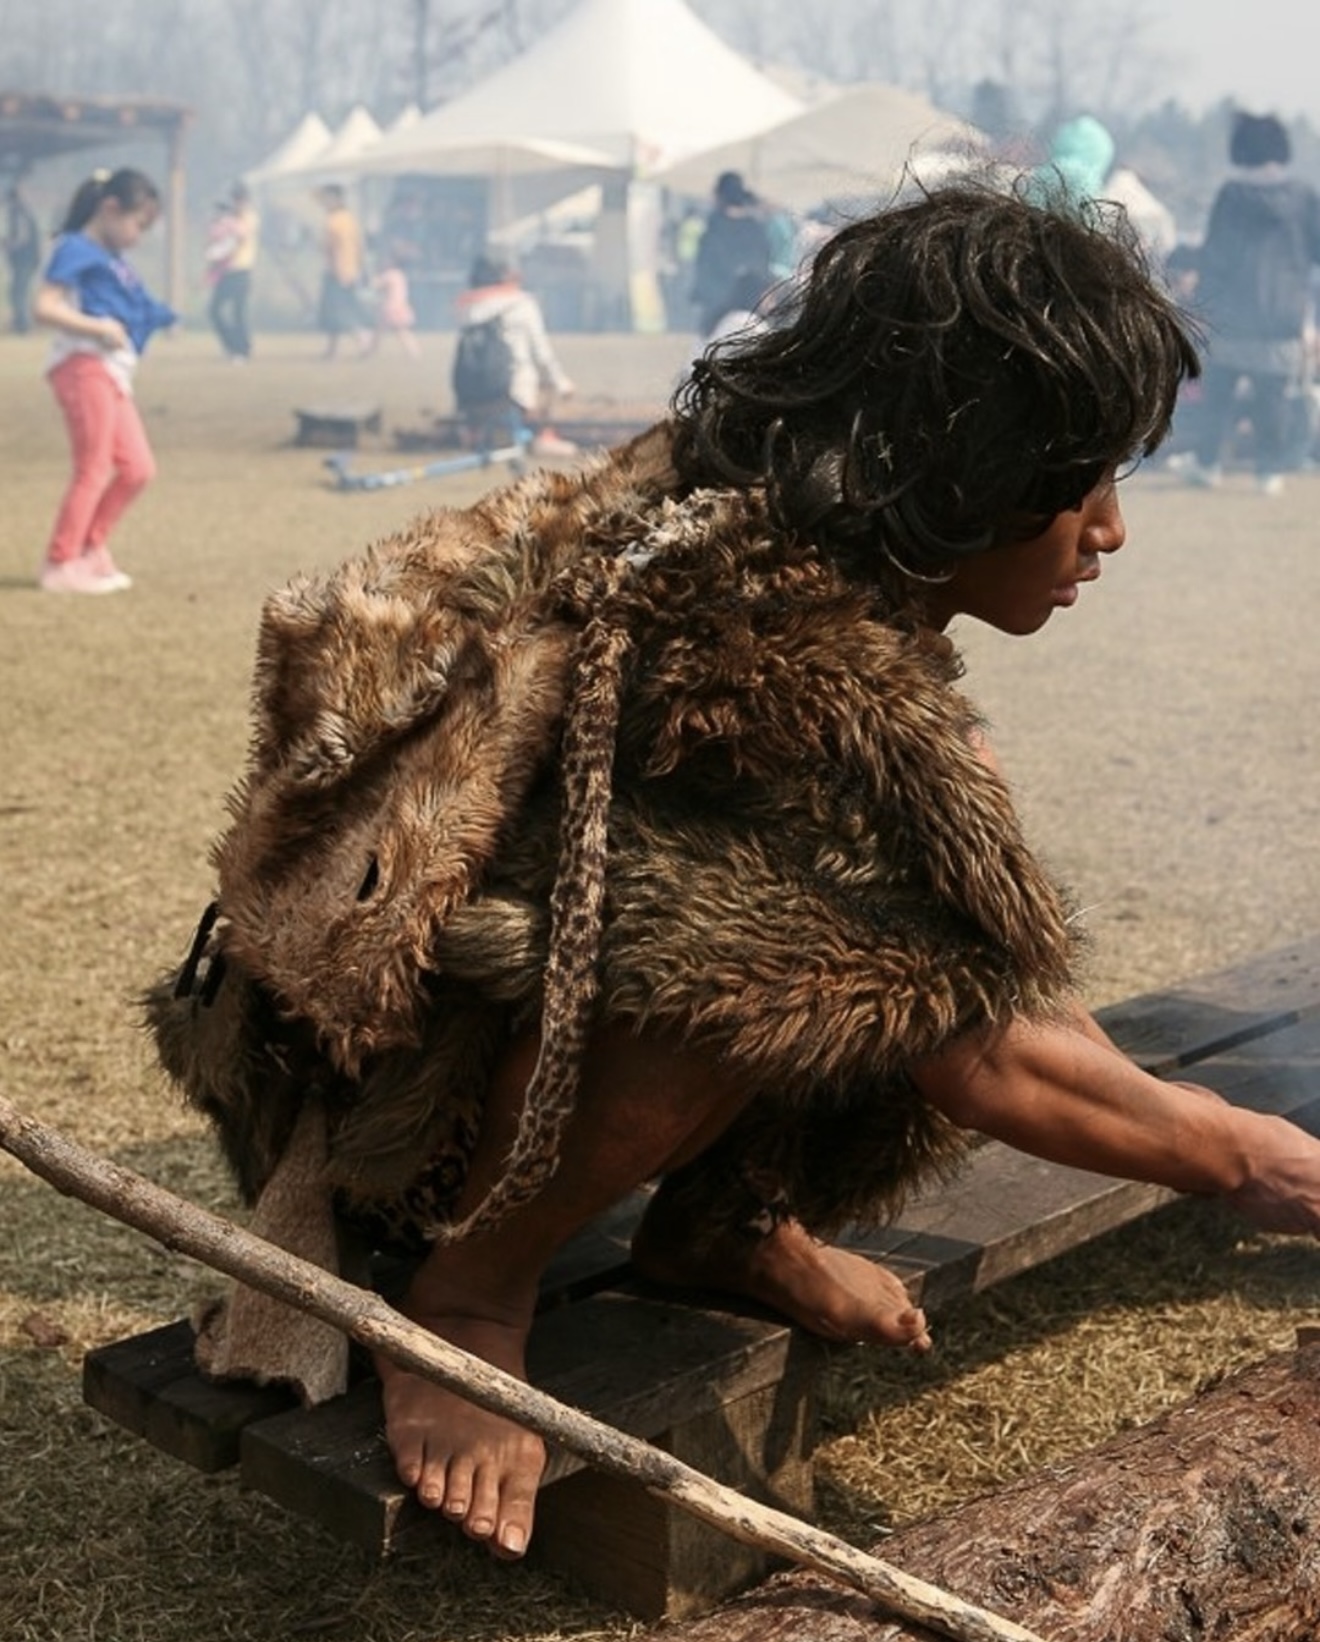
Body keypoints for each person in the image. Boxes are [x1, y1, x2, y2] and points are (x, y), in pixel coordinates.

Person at [148, 181, 1320, 1570]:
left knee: (874, 923)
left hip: (484, 1050)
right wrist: (1240, 1151)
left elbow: (986, 966)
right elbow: (981, 1053)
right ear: (970, 466)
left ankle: (722, 1223)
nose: (1110, 531)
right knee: (770, 966)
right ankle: (471, 1293)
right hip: (391, 1115)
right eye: (1085, 483)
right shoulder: (749, 649)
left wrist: (1210, 1125)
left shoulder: (797, 556)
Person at [31, 167, 176, 595]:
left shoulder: (114, 262)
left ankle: (90, 549)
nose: (138, 236)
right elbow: (44, 307)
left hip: (111, 371)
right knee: (93, 467)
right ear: (111, 208)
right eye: (138, 224)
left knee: (138, 468)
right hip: (82, 366)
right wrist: (98, 327)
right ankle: (60, 563)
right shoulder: (74, 248)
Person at [1181, 111, 1320, 496]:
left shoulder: (1232, 195)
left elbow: (1215, 257)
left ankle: (1208, 463)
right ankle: (1269, 472)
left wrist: (1202, 304)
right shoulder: (1303, 198)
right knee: (1272, 400)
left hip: (1233, 315)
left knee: (1218, 396)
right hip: (1283, 316)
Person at [452, 251, 575, 455]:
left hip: (468, 395)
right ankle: (542, 435)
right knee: (547, 382)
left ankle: (476, 432)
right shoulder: (522, 305)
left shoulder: (466, 307)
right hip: (509, 393)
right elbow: (542, 354)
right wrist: (562, 384)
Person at [690, 169, 774, 337]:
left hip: (719, 308)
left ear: (720, 196)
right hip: (752, 306)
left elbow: (704, 268)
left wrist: (700, 295)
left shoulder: (714, 228)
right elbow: (763, 264)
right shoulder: (755, 228)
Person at [314, 183, 371, 359]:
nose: (324, 202)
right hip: (348, 270)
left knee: (340, 311)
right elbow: (360, 246)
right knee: (332, 312)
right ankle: (332, 350)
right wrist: (360, 268)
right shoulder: (348, 218)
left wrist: (340, 270)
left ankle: (363, 338)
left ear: (336, 199)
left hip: (338, 272)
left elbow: (334, 248)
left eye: (327, 198)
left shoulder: (335, 221)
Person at [205, 181, 259, 362]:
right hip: (226, 271)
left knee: (238, 312)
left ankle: (242, 349)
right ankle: (232, 344)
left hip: (241, 269)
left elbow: (238, 240)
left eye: (240, 199)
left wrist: (218, 252)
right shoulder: (231, 218)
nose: (237, 203)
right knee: (214, 310)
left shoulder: (249, 218)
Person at [363, 254, 420, 359]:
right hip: (401, 304)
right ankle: (369, 351)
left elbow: (374, 285)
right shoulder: (399, 274)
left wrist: (371, 275)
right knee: (380, 330)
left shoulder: (389, 275)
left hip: (391, 306)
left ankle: (413, 352)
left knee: (399, 331)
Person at [4, 180, 40, 335]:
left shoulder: (19, 213)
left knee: (19, 291)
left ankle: (22, 324)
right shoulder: (25, 211)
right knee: (19, 290)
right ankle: (20, 321)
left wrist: (8, 245)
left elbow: (21, 238)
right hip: (28, 258)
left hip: (24, 258)